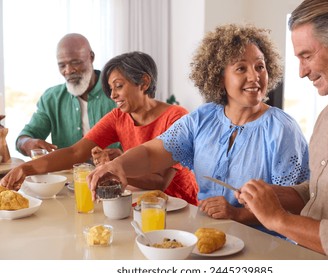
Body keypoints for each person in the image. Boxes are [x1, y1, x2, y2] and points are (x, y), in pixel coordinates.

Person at [86, 24, 309, 234]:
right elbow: (152, 153)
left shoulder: (282, 129)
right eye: (241, 68)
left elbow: (298, 201)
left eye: (260, 66)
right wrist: (118, 165)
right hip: (208, 235)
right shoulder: (203, 117)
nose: (255, 76)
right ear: (219, 77)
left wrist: (239, 214)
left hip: (266, 245)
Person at [234, 0, 328, 259]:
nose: (301, 72)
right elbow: (321, 193)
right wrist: (274, 195)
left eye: (307, 56)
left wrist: (279, 220)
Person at [1, 51, 198, 205]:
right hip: (140, 203)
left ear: (144, 82)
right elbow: (75, 152)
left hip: (180, 205)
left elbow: (160, 182)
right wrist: (25, 169)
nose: (112, 95)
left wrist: (114, 166)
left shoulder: (176, 117)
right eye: (110, 89)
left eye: (118, 86)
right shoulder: (118, 117)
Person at [16, 33, 119, 157]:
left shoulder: (118, 91)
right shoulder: (51, 98)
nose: (68, 70)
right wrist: (27, 143)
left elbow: (141, 141)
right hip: (66, 175)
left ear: (91, 57)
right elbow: (24, 137)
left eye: (75, 62)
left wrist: (122, 154)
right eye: (62, 65)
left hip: (113, 173)